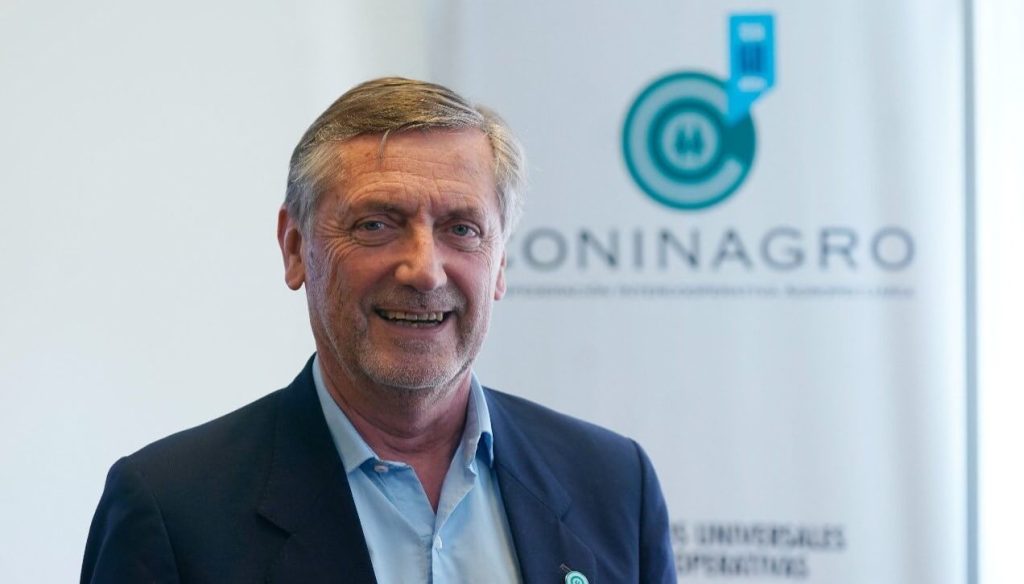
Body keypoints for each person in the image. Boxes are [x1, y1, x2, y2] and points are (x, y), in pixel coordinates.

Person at [81, 77, 676, 584]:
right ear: (295, 247)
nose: (424, 270)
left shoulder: (614, 485)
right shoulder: (171, 509)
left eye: (462, 229)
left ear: (500, 262)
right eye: (375, 225)